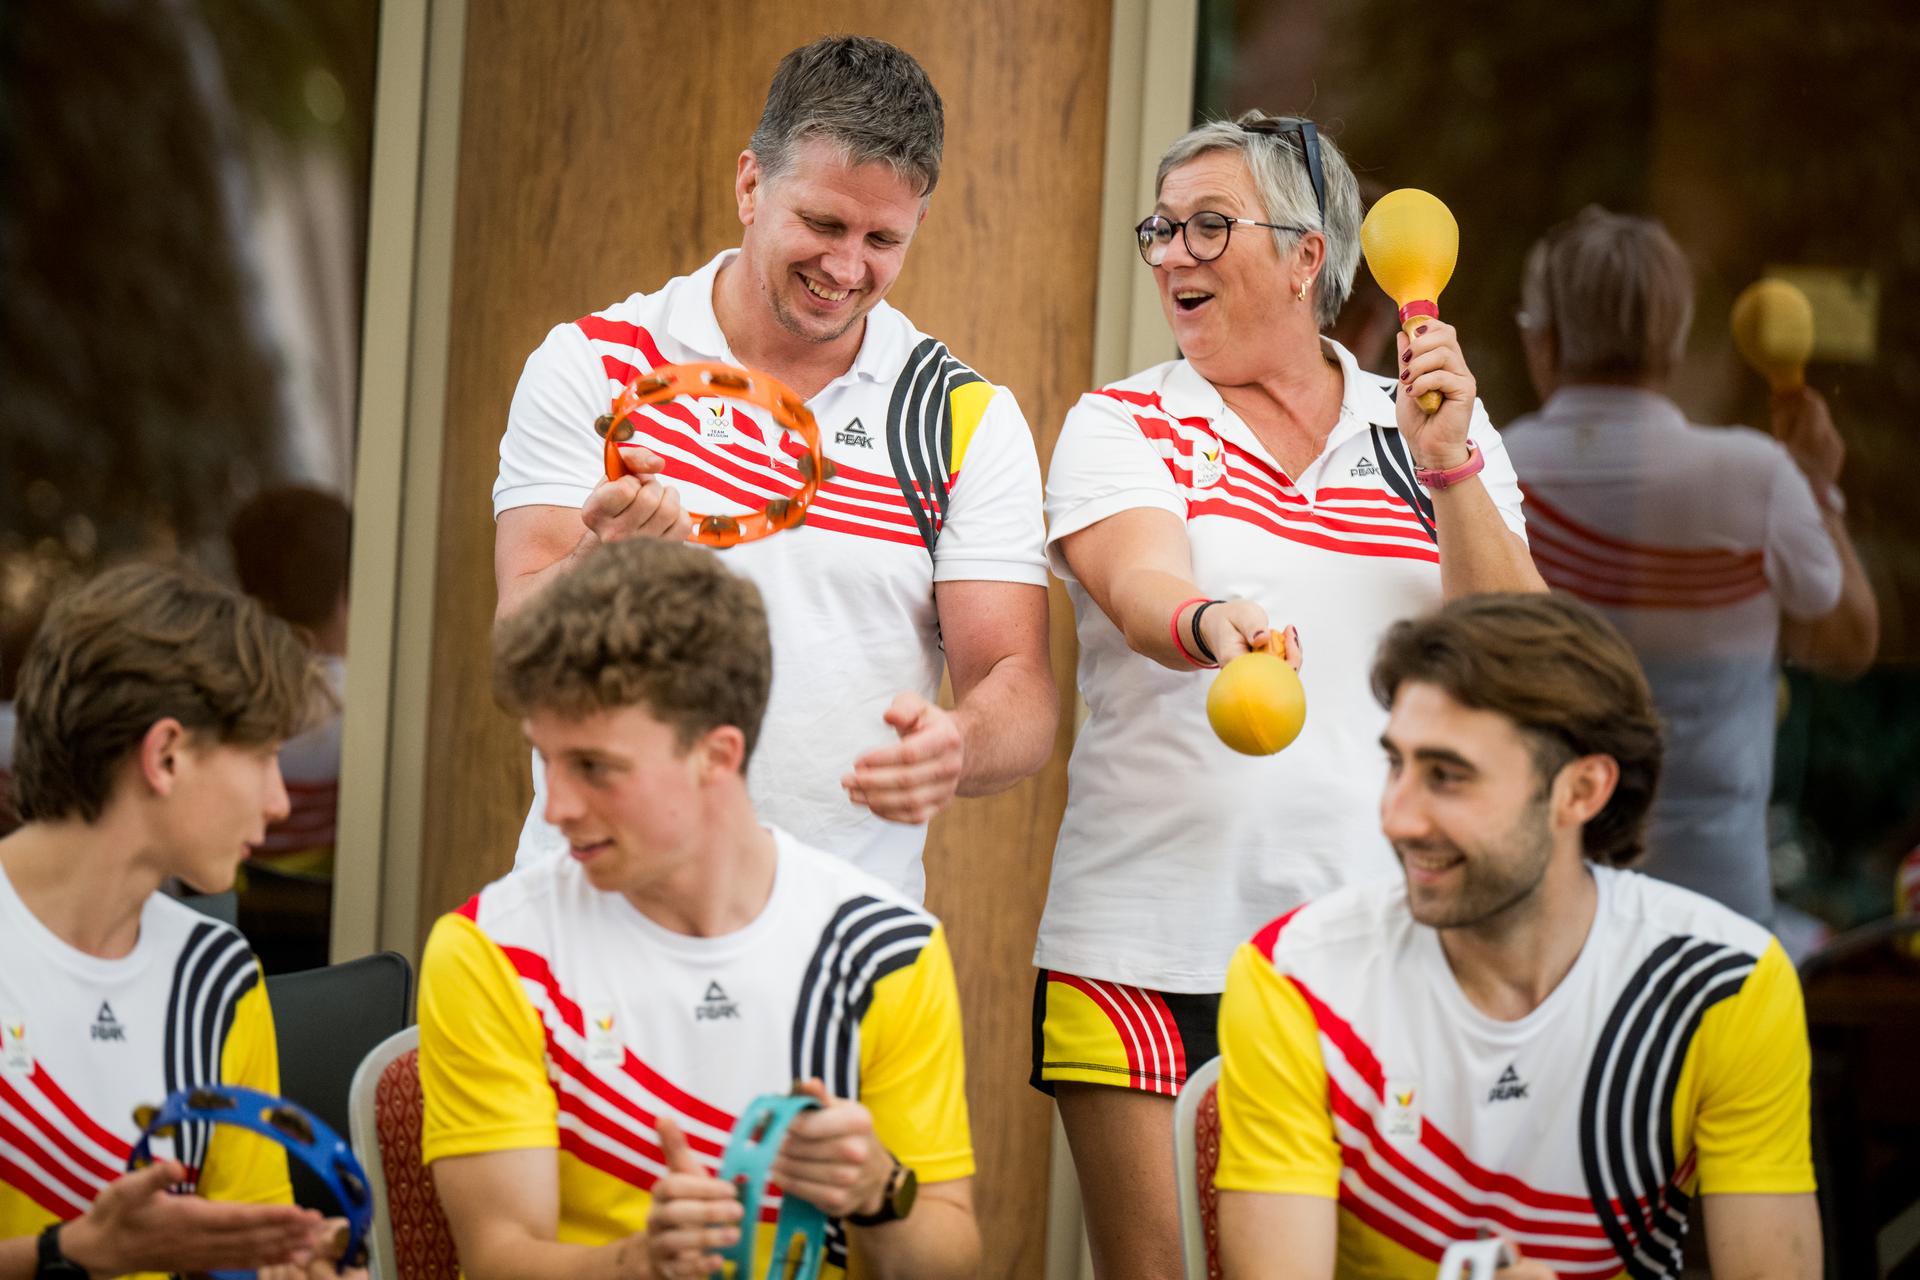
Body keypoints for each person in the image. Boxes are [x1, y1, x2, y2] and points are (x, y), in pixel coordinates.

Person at [1031, 112, 1543, 1277]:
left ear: (1309, 255)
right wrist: (1213, 621)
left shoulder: (1432, 430)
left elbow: (1523, 650)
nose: (1174, 253)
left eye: (1211, 225)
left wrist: (1450, 464)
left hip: (1383, 944)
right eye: (1162, 228)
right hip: (1147, 945)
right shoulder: (1123, 420)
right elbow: (1139, 582)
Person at [491, 35, 1053, 898]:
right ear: (750, 186)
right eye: (822, 223)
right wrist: (600, 563)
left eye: (883, 238)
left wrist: (960, 744)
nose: (846, 267)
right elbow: (515, 647)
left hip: (842, 930)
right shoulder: (594, 363)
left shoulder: (961, 416)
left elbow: (1018, 689)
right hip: (594, 908)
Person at [1215, 592, 1820, 1280]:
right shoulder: (1295, 977)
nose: (1396, 817)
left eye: (1447, 777)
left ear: (1581, 791)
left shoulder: (1727, 985)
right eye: (1396, 765)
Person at [419, 537, 979, 1280]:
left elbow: (949, 1261)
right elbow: (497, 1260)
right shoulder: (490, 950)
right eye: (546, 759)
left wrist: (879, 1192)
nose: (555, 808)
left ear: (717, 755)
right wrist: (637, 1265)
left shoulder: (886, 951)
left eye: (594, 767)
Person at [1504, 207, 1878, 924]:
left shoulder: (1490, 469)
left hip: (1544, 901)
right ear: (1675, 346)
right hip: (1720, 904)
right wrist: (1816, 491)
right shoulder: (1757, 477)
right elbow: (1849, 642)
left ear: (1543, 340)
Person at [0, 564, 345, 1277]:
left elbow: (247, 1252)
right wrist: (66, 1256)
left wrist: (295, 1266)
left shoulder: (220, 975)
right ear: (164, 756)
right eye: (264, 757)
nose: (281, 801)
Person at [228, 486, 353, 875]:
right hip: (325, 901)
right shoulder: (360, 705)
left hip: (239, 894)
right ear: (345, 592)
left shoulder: (224, 695)